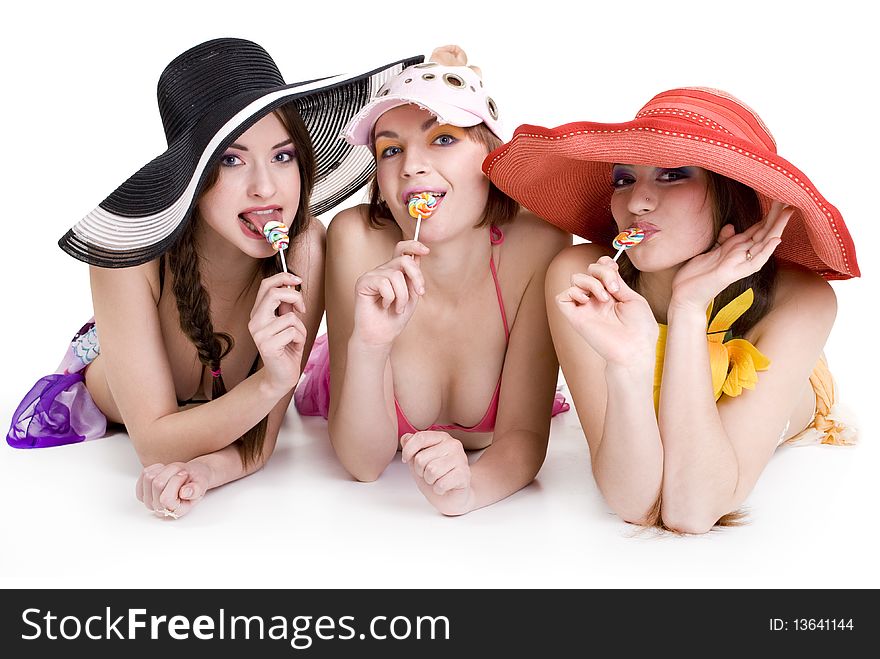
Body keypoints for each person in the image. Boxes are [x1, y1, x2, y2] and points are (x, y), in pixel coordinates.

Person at [7, 37, 420, 519]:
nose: (266, 187)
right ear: (192, 178)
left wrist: (203, 473)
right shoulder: (129, 259)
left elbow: (260, 443)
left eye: (283, 156)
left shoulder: (307, 245)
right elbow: (155, 445)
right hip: (116, 371)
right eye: (231, 159)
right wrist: (267, 386)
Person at [484, 87, 859, 533]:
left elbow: (692, 510)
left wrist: (688, 308)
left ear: (730, 195)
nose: (636, 202)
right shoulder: (580, 274)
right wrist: (628, 364)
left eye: (673, 175)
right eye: (624, 179)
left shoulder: (801, 300)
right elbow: (632, 499)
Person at [295, 46, 571, 516]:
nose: (410, 167)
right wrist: (369, 345)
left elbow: (522, 437)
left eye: (443, 139)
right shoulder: (356, 239)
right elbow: (363, 465)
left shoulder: (541, 243)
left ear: (491, 153)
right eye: (391, 149)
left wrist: (470, 489)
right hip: (343, 383)